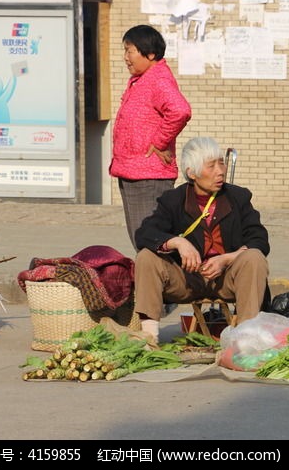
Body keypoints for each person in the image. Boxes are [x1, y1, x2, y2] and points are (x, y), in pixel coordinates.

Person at [133, 137, 270, 343]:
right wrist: (178, 243)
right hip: (188, 280)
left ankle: (246, 340)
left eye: (221, 163)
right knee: (146, 257)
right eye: (211, 165)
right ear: (192, 173)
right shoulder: (173, 200)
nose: (220, 171)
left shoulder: (238, 197)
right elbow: (145, 233)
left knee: (254, 257)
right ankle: (148, 338)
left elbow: (260, 239)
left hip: (227, 279)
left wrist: (227, 259)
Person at [109, 25, 192, 250]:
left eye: (130, 51)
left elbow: (180, 110)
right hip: (133, 171)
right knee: (142, 241)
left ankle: (160, 284)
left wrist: (159, 142)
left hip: (149, 176)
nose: (126, 58)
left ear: (150, 53)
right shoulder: (144, 78)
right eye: (125, 51)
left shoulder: (157, 79)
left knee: (151, 243)